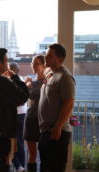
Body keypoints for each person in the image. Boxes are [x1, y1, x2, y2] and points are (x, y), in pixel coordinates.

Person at [38, 44, 75, 172]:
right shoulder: (51, 74)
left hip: (56, 133)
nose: (45, 57)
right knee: (45, 167)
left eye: (49, 56)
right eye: (46, 54)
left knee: (55, 168)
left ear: (59, 59)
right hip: (47, 131)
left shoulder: (64, 77)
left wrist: (58, 127)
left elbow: (69, 103)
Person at [23, 55, 46, 172]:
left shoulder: (48, 81)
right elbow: (21, 98)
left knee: (44, 155)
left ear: (44, 65)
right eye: (33, 63)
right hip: (31, 118)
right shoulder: (31, 82)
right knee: (31, 155)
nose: (34, 65)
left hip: (44, 121)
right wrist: (25, 84)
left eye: (37, 63)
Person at [9, 62, 27, 172]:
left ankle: (19, 166)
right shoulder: (21, 81)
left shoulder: (10, 81)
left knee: (10, 142)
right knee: (19, 142)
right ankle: (21, 167)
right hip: (23, 114)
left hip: (14, 115)